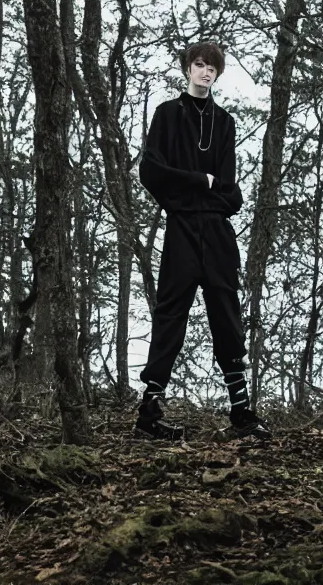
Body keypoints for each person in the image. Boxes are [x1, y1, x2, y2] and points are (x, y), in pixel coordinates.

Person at [134, 42, 270, 441]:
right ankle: (149, 414)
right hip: (181, 228)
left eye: (212, 67)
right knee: (171, 313)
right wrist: (197, 181)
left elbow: (230, 191)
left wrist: (212, 192)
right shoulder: (167, 114)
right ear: (187, 69)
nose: (205, 72)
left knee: (227, 313)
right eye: (199, 65)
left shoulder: (224, 122)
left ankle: (242, 414)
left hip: (216, 229)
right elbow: (151, 171)